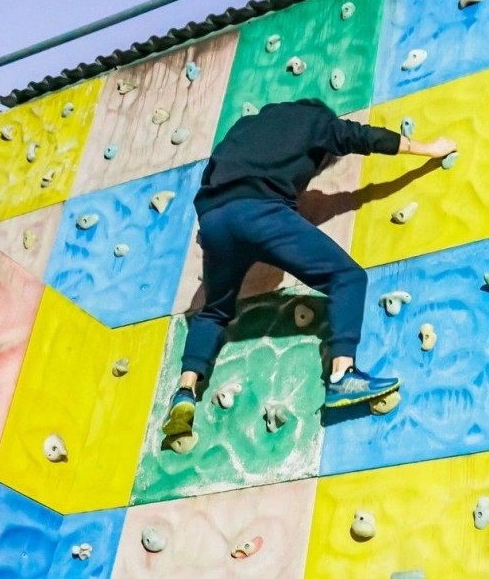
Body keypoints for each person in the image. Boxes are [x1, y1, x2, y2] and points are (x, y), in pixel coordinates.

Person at [162, 98, 457, 438]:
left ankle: (185, 393)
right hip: (261, 214)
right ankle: (343, 375)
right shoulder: (316, 122)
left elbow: (212, 174)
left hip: (214, 220)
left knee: (214, 312)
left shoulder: (245, 128)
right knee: (347, 277)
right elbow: (365, 137)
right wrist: (430, 148)